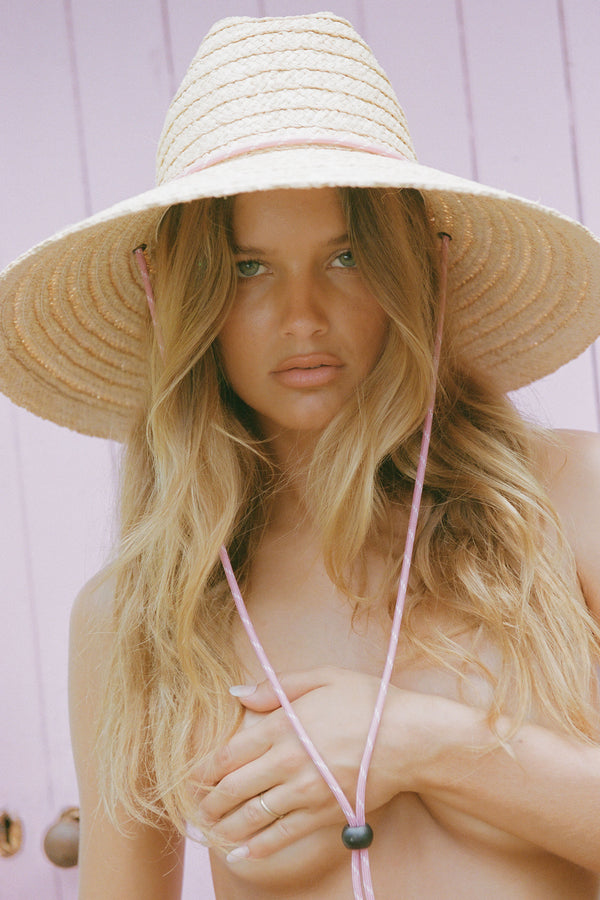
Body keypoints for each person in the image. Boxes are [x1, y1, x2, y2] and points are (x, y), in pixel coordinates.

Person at [1, 12, 599, 900]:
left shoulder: (564, 500)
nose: (303, 316)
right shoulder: (138, 618)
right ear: (179, 298)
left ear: (417, 270)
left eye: (347, 255)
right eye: (249, 268)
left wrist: (422, 742)